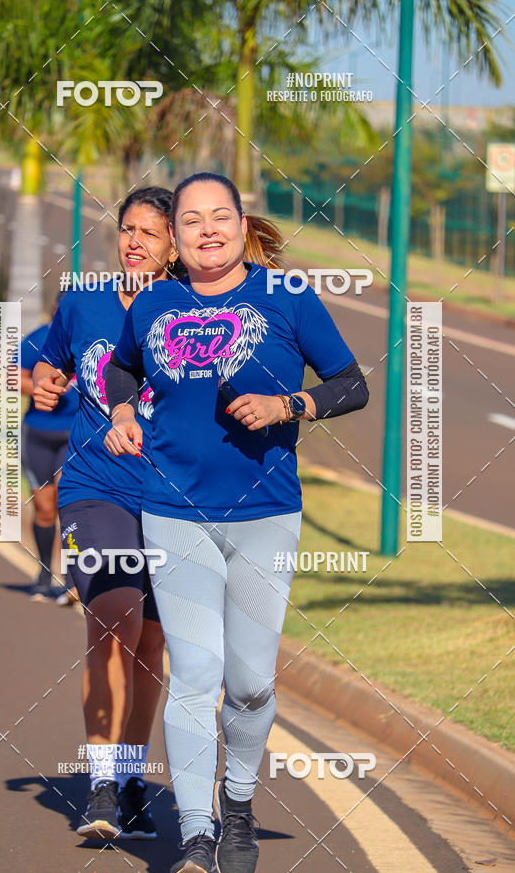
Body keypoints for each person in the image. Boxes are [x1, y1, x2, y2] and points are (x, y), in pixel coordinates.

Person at [104, 172, 369, 873]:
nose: (207, 230)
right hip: (172, 512)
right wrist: (124, 412)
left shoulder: (286, 298)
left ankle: (240, 799)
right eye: (191, 221)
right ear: (177, 237)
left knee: (250, 682)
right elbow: (122, 370)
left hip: (265, 515)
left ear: (244, 223)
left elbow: (352, 384)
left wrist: (290, 407)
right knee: (196, 671)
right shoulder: (156, 301)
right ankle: (196, 831)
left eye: (220, 216)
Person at [31, 187, 183, 841]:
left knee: (152, 643)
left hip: (173, 500)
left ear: (173, 245)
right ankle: (97, 782)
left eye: (150, 232)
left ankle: (128, 779)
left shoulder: (193, 311)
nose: (134, 241)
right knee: (112, 617)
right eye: (127, 229)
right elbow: (50, 358)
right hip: (94, 486)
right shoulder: (84, 300)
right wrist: (43, 379)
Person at [19, 296, 79, 602]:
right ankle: (44, 574)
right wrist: (44, 387)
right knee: (44, 508)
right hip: (38, 434)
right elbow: (15, 377)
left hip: (73, 436)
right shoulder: (40, 338)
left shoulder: (87, 336)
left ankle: (72, 581)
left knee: (67, 504)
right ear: (55, 309)